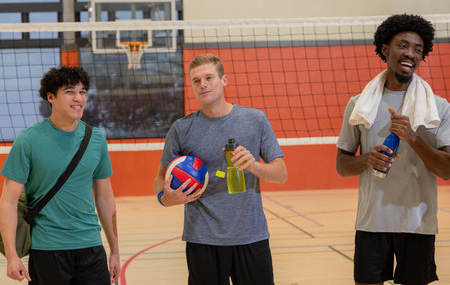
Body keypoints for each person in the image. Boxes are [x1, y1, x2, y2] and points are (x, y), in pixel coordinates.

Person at [153, 53, 288, 285]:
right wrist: (166, 198)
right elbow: (160, 178)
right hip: (202, 238)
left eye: (209, 77)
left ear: (224, 80)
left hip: (250, 236)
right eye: (196, 81)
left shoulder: (255, 119)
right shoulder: (182, 128)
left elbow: (281, 174)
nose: (203, 84)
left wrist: (254, 166)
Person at [336, 14, 450, 285]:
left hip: (417, 224)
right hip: (371, 222)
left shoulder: (438, 107)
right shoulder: (359, 104)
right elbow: (342, 165)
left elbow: (446, 169)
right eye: (403, 45)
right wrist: (367, 158)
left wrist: (413, 137)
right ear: (385, 49)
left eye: (418, 49)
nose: (410, 53)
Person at [0, 66, 120, 284]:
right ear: (50, 97)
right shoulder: (28, 140)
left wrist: (114, 250)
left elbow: (105, 197)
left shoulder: (96, 139)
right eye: (69, 92)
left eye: (82, 92)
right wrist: (11, 255)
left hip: (91, 247)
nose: (78, 98)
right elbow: (7, 201)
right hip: (47, 250)